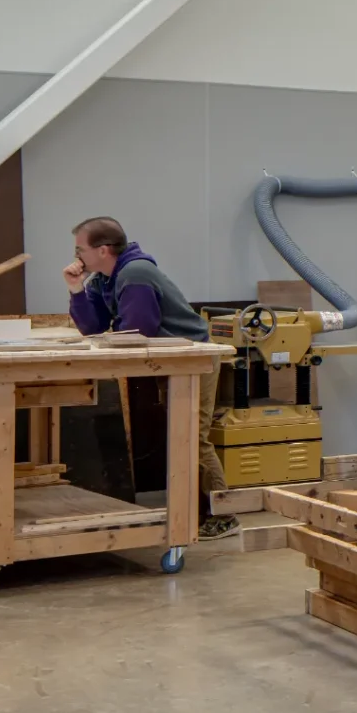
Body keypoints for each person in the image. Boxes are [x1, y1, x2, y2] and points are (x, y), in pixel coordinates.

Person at [63, 217, 229, 537]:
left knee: (193, 437)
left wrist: (107, 341)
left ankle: (223, 514)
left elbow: (138, 331)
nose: (77, 256)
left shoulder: (135, 274)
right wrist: (76, 290)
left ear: (104, 249)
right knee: (181, 437)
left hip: (195, 360)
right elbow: (93, 327)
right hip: (173, 363)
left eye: (80, 249)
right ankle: (194, 512)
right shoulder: (103, 279)